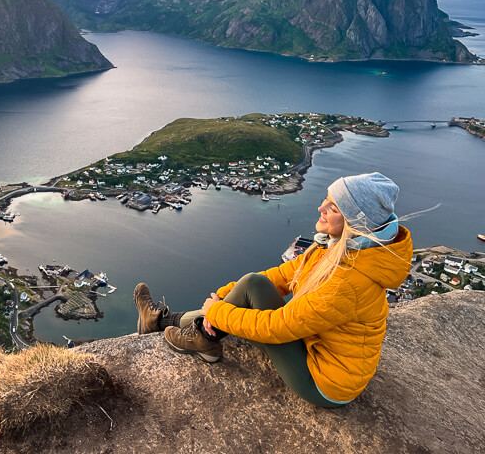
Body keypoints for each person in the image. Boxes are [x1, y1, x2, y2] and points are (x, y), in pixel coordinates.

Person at [133, 172, 413, 407]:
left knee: (246, 295)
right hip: (316, 347)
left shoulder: (349, 280)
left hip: (325, 382)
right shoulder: (344, 250)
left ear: (355, 223)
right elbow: (284, 275)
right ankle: (166, 323)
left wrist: (219, 312)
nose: (321, 208)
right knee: (253, 283)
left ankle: (196, 335)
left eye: (334, 207)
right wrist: (226, 294)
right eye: (326, 198)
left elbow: (279, 327)